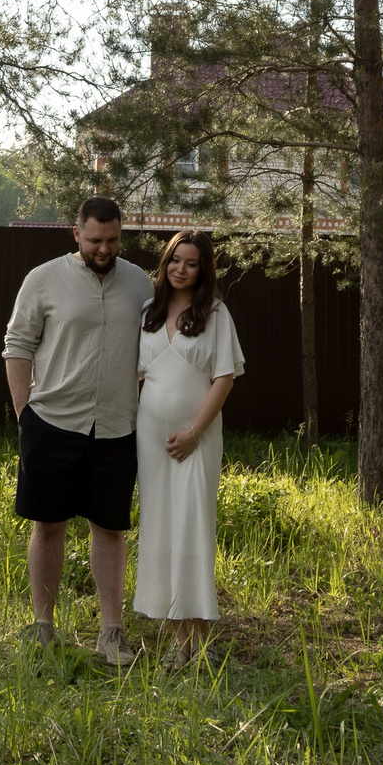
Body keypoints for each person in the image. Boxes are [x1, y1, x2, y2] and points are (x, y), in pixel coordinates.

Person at [2, 195, 152, 668]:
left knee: (110, 529)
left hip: (117, 427)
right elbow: (17, 343)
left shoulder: (140, 283)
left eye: (112, 240)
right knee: (48, 525)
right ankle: (43, 627)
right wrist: (24, 413)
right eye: (94, 240)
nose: (103, 249)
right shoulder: (43, 279)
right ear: (76, 233)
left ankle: (112, 632)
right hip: (52, 423)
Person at [132, 228, 244, 667]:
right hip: (152, 440)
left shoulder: (215, 313)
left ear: (203, 269)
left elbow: (224, 379)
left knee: (193, 528)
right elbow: (134, 375)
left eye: (191, 263)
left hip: (197, 440)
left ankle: (202, 638)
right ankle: (181, 640)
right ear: (165, 263)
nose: (180, 269)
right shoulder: (148, 311)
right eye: (175, 260)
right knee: (161, 527)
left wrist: (195, 432)